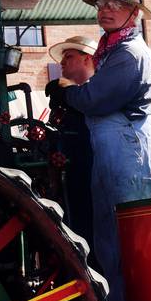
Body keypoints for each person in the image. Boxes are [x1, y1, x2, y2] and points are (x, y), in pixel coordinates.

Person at [55, 0, 151, 301]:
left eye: (116, 5)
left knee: (126, 242)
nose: (106, 9)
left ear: (133, 13)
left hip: (127, 147)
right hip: (115, 148)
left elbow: (95, 100)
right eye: (101, 4)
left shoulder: (128, 53)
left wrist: (69, 95)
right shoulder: (111, 50)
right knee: (109, 240)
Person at [44, 35, 98, 245]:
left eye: (69, 56)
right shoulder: (67, 99)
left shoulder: (97, 93)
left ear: (87, 59)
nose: (62, 62)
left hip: (92, 178)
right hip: (73, 182)